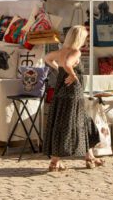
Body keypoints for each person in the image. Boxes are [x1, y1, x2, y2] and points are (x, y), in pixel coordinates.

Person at [43, 25, 101, 171]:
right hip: (72, 93)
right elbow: (69, 64)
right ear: (80, 38)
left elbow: (47, 58)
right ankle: (56, 161)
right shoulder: (76, 52)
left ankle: (89, 157)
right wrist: (72, 75)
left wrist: (59, 69)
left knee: (77, 122)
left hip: (60, 91)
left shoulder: (62, 51)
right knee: (72, 123)